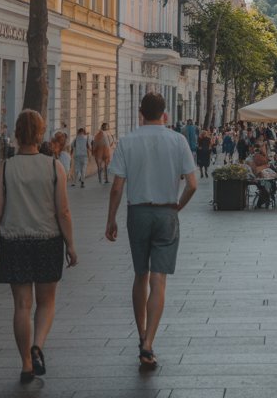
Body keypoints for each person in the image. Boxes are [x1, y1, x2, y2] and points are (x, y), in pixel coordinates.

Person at [106, 93, 198, 371]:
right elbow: (192, 184)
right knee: (159, 280)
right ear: (164, 113)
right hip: (166, 211)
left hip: (138, 212)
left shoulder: (128, 141)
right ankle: (149, 343)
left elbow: (117, 186)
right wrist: (177, 207)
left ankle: (141, 334)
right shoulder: (178, 140)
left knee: (140, 275)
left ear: (140, 113)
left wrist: (111, 219)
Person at [0, 110, 78, 383]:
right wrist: (71, 244)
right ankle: (38, 345)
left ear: (16, 133)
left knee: (22, 306)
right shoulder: (54, 167)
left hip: (14, 241)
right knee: (47, 301)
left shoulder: (6, 167)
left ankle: (26, 363)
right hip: (48, 239)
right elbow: (63, 211)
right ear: (41, 134)